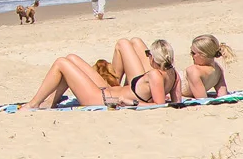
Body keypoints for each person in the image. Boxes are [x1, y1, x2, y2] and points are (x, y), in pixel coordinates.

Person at [24, 39, 180, 109]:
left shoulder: (155, 75)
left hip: (100, 99)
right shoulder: (174, 74)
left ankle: (33, 104)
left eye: (148, 54)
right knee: (71, 58)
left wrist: (132, 103)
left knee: (61, 63)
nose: (147, 57)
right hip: (105, 90)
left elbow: (160, 106)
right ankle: (50, 102)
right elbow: (176, 102)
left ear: (154, 57)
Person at [183, 34, 232, 99]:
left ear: (203, 55)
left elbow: (202, 99)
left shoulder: (193, 71)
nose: (191, 55)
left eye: (193, 53)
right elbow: (222, 95)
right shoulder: (217, 69)